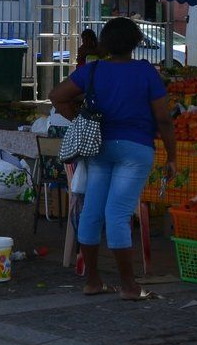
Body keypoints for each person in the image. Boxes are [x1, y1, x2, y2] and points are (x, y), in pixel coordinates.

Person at [49, 16, 177, 300]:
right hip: (136, 148)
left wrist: (79, 118)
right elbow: (164, 120)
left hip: (99, 148)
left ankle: (93, 281)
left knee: (92, 211)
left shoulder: (93, 70)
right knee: (118, 214)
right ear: (135, 44)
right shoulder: (146, 72)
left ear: (105, 43)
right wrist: (172, 156)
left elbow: (56, 95)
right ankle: (130, 286)